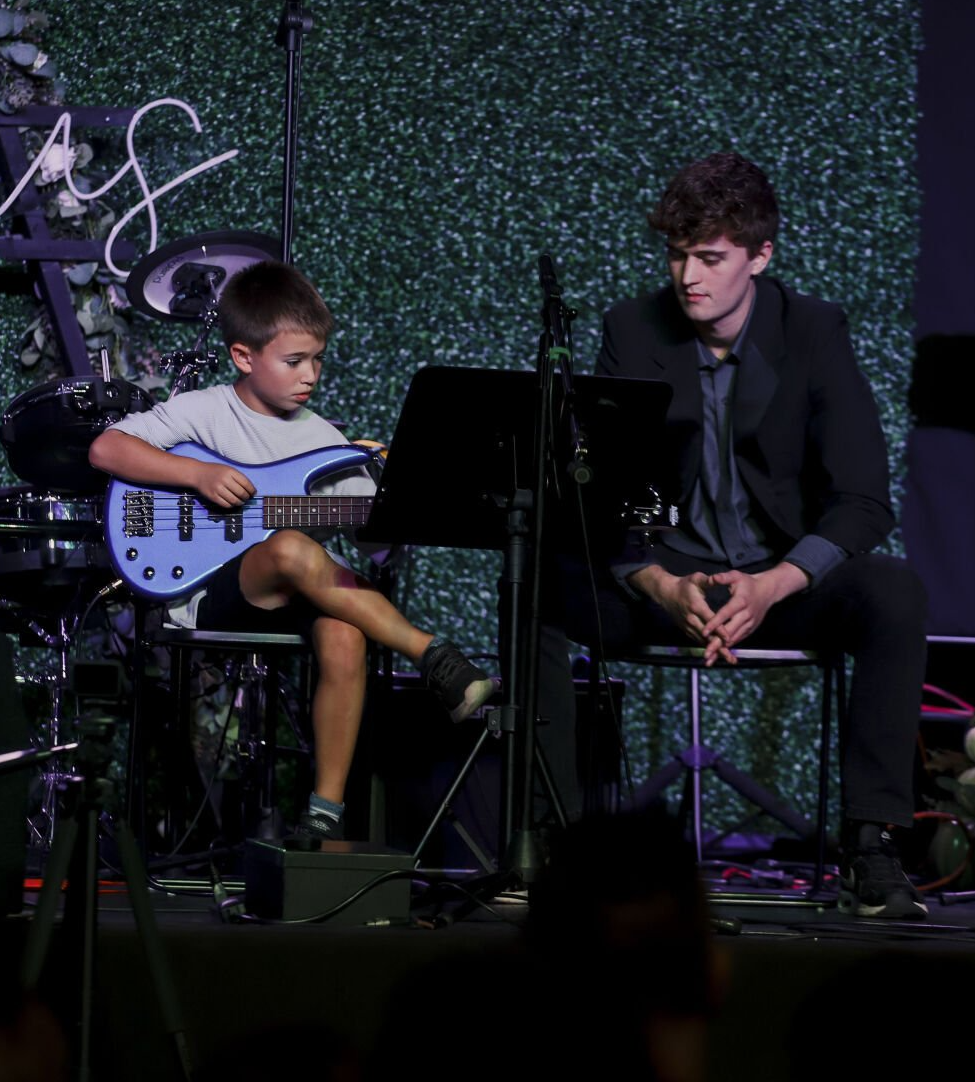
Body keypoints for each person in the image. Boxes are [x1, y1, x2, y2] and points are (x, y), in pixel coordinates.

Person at [556, 152, 929, 919]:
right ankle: (552, 837)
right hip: (666, 579)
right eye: (676, 255)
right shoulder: (634, 327)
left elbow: (863, 500)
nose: (688, 275)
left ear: (760, 256)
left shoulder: (815, 329)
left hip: (779, 580)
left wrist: (775, 582)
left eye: (710, 257)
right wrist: (658, 580)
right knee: (541, 582)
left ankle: (871, 843)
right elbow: (610, 490)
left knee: (894, 591)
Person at [88, 260, 493, 841]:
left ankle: (323, 816)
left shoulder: (326, 443)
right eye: (294, 360)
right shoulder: (206, 409)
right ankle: (435, 657)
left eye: (318, 359)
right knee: (289, 548)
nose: (311, 375)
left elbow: (373, 542)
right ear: (243, 357)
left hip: (296, 594)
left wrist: (395, 498)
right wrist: (196, 474)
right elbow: (106, 450)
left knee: (344, 634)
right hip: (208, 588)